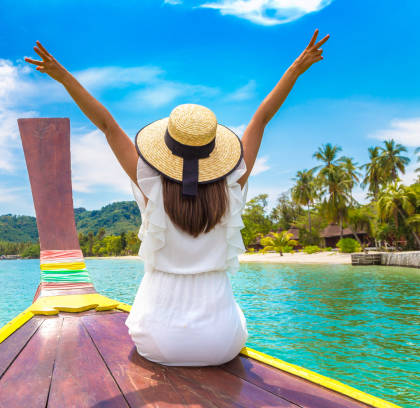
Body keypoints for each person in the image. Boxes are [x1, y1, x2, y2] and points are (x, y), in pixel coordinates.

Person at [24, 29, 329, 366]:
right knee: (236, 316)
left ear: (166, 148)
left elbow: (107, 125)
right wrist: (295, 70)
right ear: (215, 151)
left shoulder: (150, 185)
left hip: (158, 341)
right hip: (221, 342)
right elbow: (262, 118)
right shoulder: (233, 186)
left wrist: (64, 77)